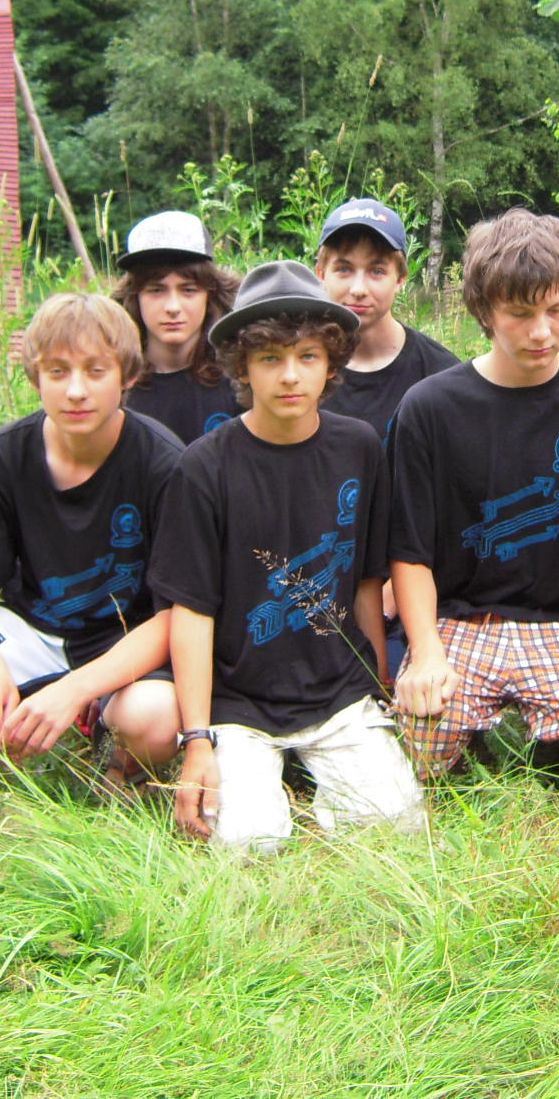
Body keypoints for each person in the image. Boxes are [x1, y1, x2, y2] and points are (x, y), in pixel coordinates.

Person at [151, 262, 424, 852]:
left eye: (307, 356)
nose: (290, 375)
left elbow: (366, 581)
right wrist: (197, 740)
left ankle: (324, 771)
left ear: (331, 363)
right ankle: (262, 783)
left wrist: (376, 684)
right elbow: (191, 612)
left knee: (394, 824)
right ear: (242, 366)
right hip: (238, 699)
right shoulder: (203, 468)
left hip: (338, 691)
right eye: (270, 358)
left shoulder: (359, 448)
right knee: (247, 843)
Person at [0, 293, 183, 781]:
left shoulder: (163, 463)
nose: (76, 391)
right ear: (36, 377)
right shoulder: (1, 457)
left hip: (126, 639)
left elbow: (174, 616)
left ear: (128, 375)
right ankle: (9, 731)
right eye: (58, 372)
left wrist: (76, 689)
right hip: (34, 626)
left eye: (96, 371)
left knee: (154, 722)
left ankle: (110, 752)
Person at [389, 208, 559, 792]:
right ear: (484, 311)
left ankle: (548, 757)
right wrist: (425, 653)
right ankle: (478, 751)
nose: (542, 332)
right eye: (520, 314)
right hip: (461, 620)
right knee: (425, 734)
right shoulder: (428, 408)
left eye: (557, 310)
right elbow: (410, 551)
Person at [313, 198, 459, 438]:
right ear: (321, 274)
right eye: (344, 269)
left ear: (400, 279)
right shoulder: (296, 368)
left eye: (377, 271)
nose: (358, 289)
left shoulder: (440, 374)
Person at [114, 210, 242, 443]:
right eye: (156, 290)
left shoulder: (241, 379)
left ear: (210, 295)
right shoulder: (115, 384)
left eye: (188, 290)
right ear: (135, 297)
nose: (173, 307)